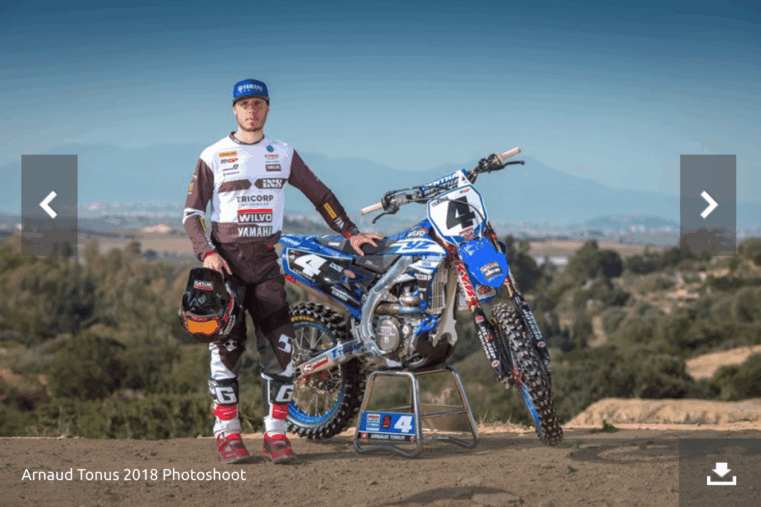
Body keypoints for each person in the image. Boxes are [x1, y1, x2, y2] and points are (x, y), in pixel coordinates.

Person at [183, 78, 383, 464]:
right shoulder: (213, 154)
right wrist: (206, 253)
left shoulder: (283, 152)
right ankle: (228, 433)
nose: (251, 111)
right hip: (225, 266)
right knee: (226, 349)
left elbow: (320, 195)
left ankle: (276, 434)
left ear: (267, 109)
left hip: (265, 264)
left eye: (258, 104)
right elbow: (192, 214)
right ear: (234, 110)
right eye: (244, 104)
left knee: (281, 349)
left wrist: (351, 232)